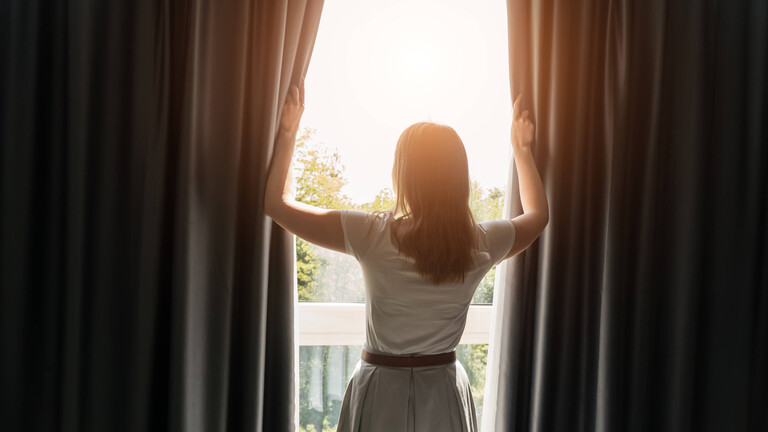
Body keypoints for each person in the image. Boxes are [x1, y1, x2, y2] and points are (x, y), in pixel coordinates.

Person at [264, 79, 548, 432]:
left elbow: (277, 205)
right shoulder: (480, 242)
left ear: (403, 175)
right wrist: (522, 150)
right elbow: (538, 216)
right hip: (443, 389)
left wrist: (288, 133)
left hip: (380, 388)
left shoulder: (371, 232)